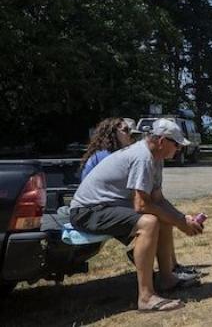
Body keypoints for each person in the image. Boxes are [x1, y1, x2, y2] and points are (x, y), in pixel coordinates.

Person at [69, 119, 204, 312]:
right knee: (148, 222)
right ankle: (146, 297)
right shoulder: (143, 157)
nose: (179, 149)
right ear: (162, 141)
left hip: (108, 206)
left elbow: (158, 200)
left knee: (164, 218)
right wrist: (180, 223)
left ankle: (167, 279)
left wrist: (183, 219)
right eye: (176, 144)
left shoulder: (156, 158)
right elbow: (141, 205)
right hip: (87, 211)